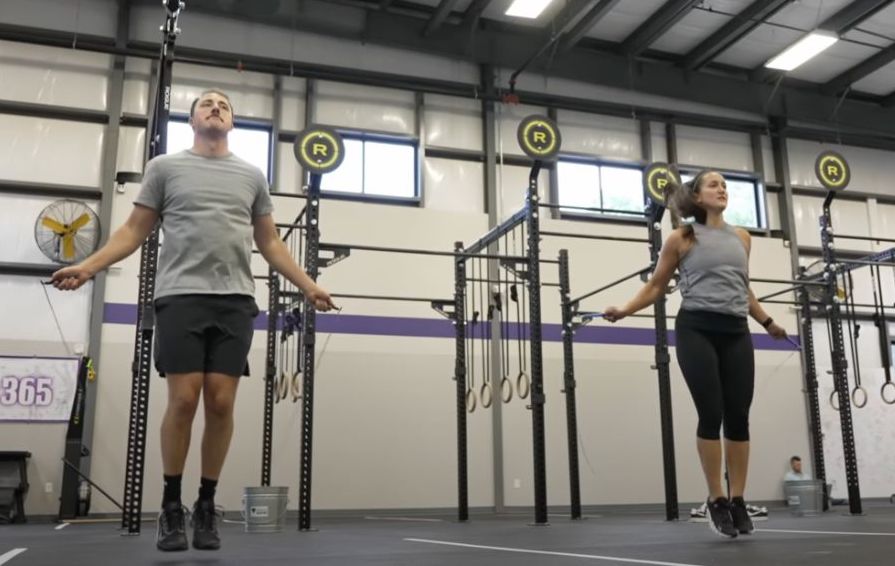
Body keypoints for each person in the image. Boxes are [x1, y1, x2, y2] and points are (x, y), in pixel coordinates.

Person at [50, 89, 335, 552]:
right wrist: (89, 266)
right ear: (192, 119)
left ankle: (205, 504)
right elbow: (133, 230)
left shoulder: (251, 175)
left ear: (232, 122)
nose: (216, 108)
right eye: (207, 103)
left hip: (235, 301)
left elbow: (271, 243)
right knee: (183, 400)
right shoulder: (165, 168)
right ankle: (169, 506)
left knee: (220, 403)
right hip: (180, 297)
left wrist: (309, 284)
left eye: (224, 105)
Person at [604, 169, 788, 538]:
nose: (721, 189)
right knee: (712, 411)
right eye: (713, 184)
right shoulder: (681, 238)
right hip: (696, 329)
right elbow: (656, 286)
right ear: (697, 196)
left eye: (725, 185)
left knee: (739, 416)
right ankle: (716, 500)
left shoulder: (742, 238)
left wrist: (768, 322)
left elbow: (743, 289)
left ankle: (737, 499)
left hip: (736, 332)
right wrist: (625, 310)